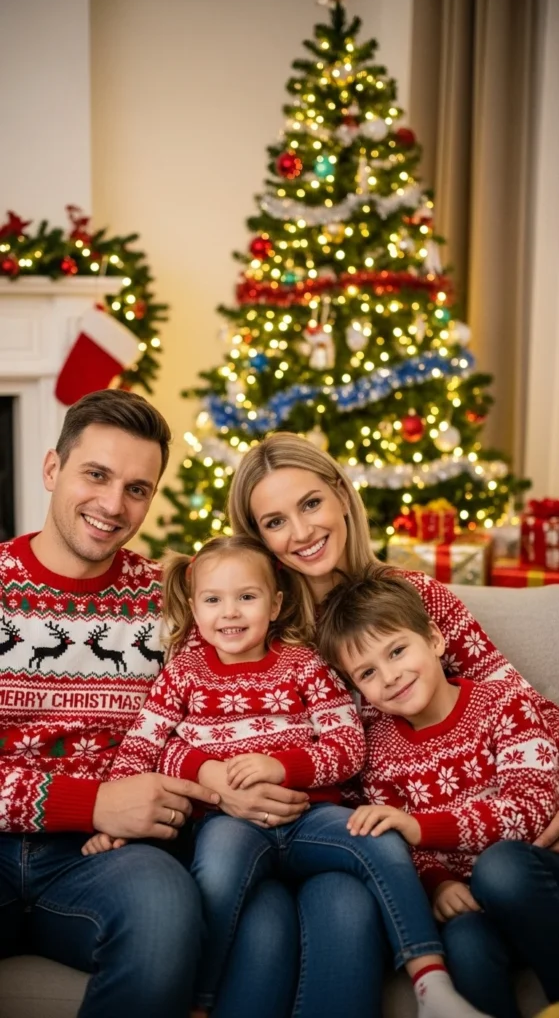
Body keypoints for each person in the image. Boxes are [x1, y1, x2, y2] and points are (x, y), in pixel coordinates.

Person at [83, 534, 489, 1018]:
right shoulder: (183, 672)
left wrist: (282, 766)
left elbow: (348, 747)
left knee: (382, 840)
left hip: (310, 815)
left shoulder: (305, 664)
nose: (230, 613)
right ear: (194, 607)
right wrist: (112, 821)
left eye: (247, 598)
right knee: (216, 869)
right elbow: (144, 743)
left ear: (275, 604)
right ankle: (199, 1001)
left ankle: (431, 983)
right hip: (227, 822)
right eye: (214, 600)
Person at [222, 429, 559, 1010]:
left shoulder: (417, 599)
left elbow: (522, 709)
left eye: (309, 504)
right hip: (309, 832)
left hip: (399, 841)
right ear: (259, 540)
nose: (301, 533)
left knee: (420, 909)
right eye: (275, 522)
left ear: (339, 495)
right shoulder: (263, 629)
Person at [0, 391, 299, 1018]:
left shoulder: (174, 601)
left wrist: (215, 776)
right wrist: (91, 800)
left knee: (165, 908)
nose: (113, 505)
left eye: (138, 488)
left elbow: (221, 708)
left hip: (103, 860)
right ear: (53, 469)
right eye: (96, 475)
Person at [316, 566, 559, 1018]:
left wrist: (420, 827)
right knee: (463, 940)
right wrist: (437, 882)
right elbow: (398, 837)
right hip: (475, 908)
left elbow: (529, 810)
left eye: (397, 651)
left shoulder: (503, 704)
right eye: (367, 672)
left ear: (434, 639)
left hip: (533, 883)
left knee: (500, 867)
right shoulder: (382, 749)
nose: (389, 676)